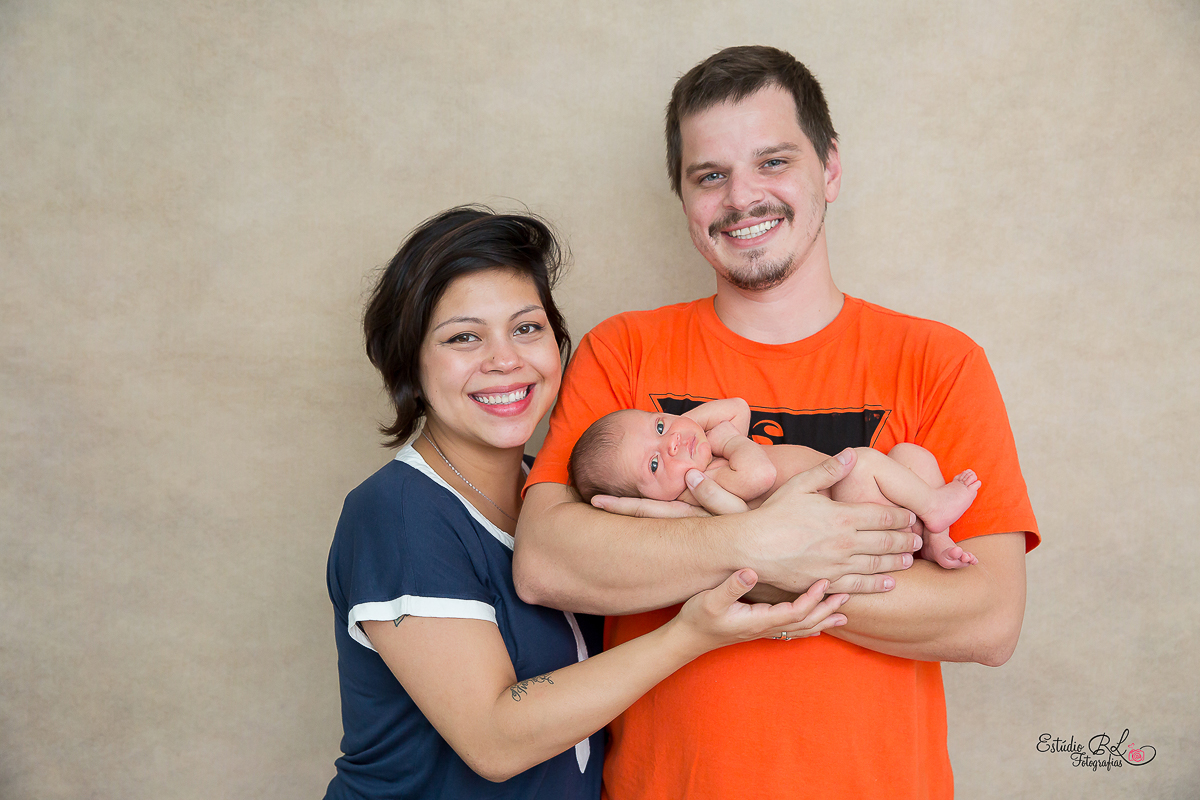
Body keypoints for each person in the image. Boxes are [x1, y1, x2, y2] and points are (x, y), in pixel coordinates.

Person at [513, 46, 1040, 799]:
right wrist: (758, 547)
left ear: (830, 168)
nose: (742, 197)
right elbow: (548, 563)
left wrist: (729, 558)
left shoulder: (939, 361)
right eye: (710, 175)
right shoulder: (622, 351)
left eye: (773, 162)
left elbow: (987, 619)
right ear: (684, 197)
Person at [323, 206, 851, 800]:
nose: (505, 360)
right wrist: (692, 633)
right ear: (411, 363)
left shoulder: (565, 500)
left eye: (527, 328)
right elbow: (495, 740)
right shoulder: (397, 512)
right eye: (463, 337)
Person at [568, 398, 981, 569]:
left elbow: (737, 407)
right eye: (656, 463)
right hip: (851, 509)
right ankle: (933, 508)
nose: (671, 443)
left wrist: (685, 428)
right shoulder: (704, 485)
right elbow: (760, 475)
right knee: (863, 462)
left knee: (910, 454)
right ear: (652, 501)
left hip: (872, 502)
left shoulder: (703, 453)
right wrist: (727, 440)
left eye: (659, 426)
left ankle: (936, 536)